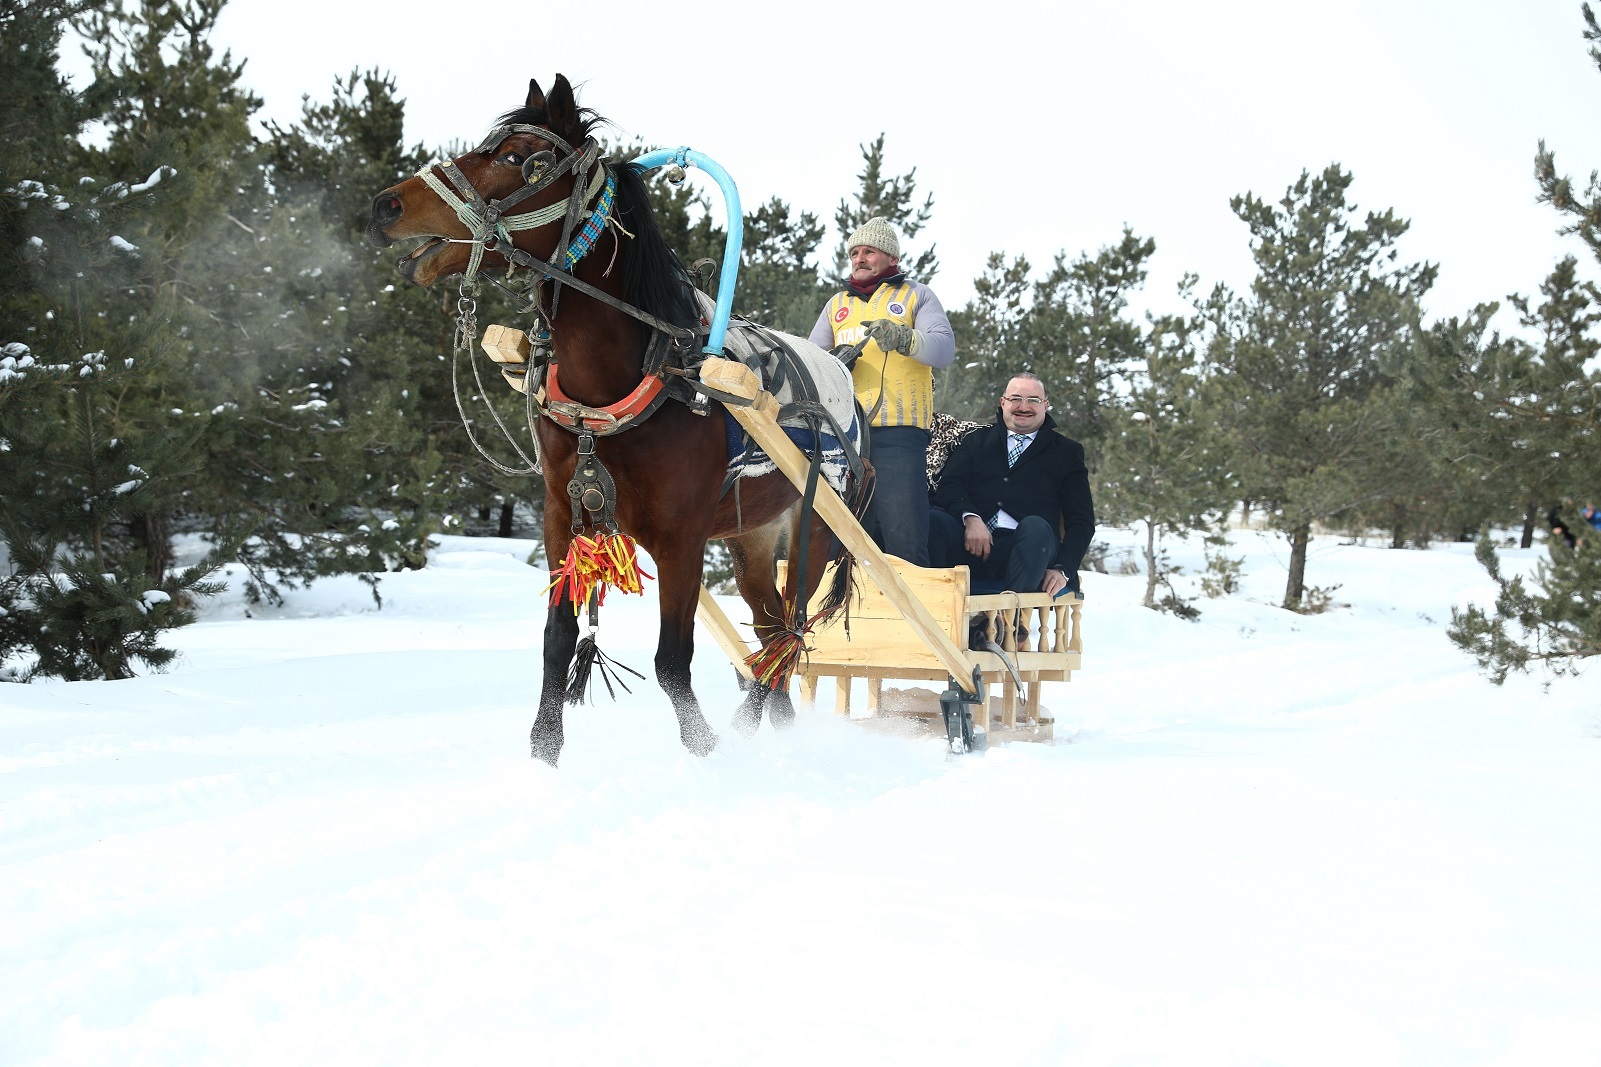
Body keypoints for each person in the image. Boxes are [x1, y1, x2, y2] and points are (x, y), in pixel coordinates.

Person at [810, 216, 955, 566]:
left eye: (869, 251)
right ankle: (832, 617)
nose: (860, 258)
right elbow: (810, 359)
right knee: (835, 535)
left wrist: (905, 338)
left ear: (891, 259)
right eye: (855, 252)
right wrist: (832, 361)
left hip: (899, 431)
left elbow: (944, 349)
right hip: (844, 432)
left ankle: (910, 617)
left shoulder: (916, 294)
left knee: (903, 537)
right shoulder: (836, 304)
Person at [929, 373, 1096, 603]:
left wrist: (1063, 568)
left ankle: (1009, 626)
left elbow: (1082, 521)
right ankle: (936, 612)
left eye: (1033, 400)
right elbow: (950, 485)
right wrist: (971, 518)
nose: (1024, 406)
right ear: (1003, 402)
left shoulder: (1067, 452)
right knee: (933, 522)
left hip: (1028, 550)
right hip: (971, 543)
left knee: (1036, 526)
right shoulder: (975, 440)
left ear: (1046, 405)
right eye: (1016, 398)